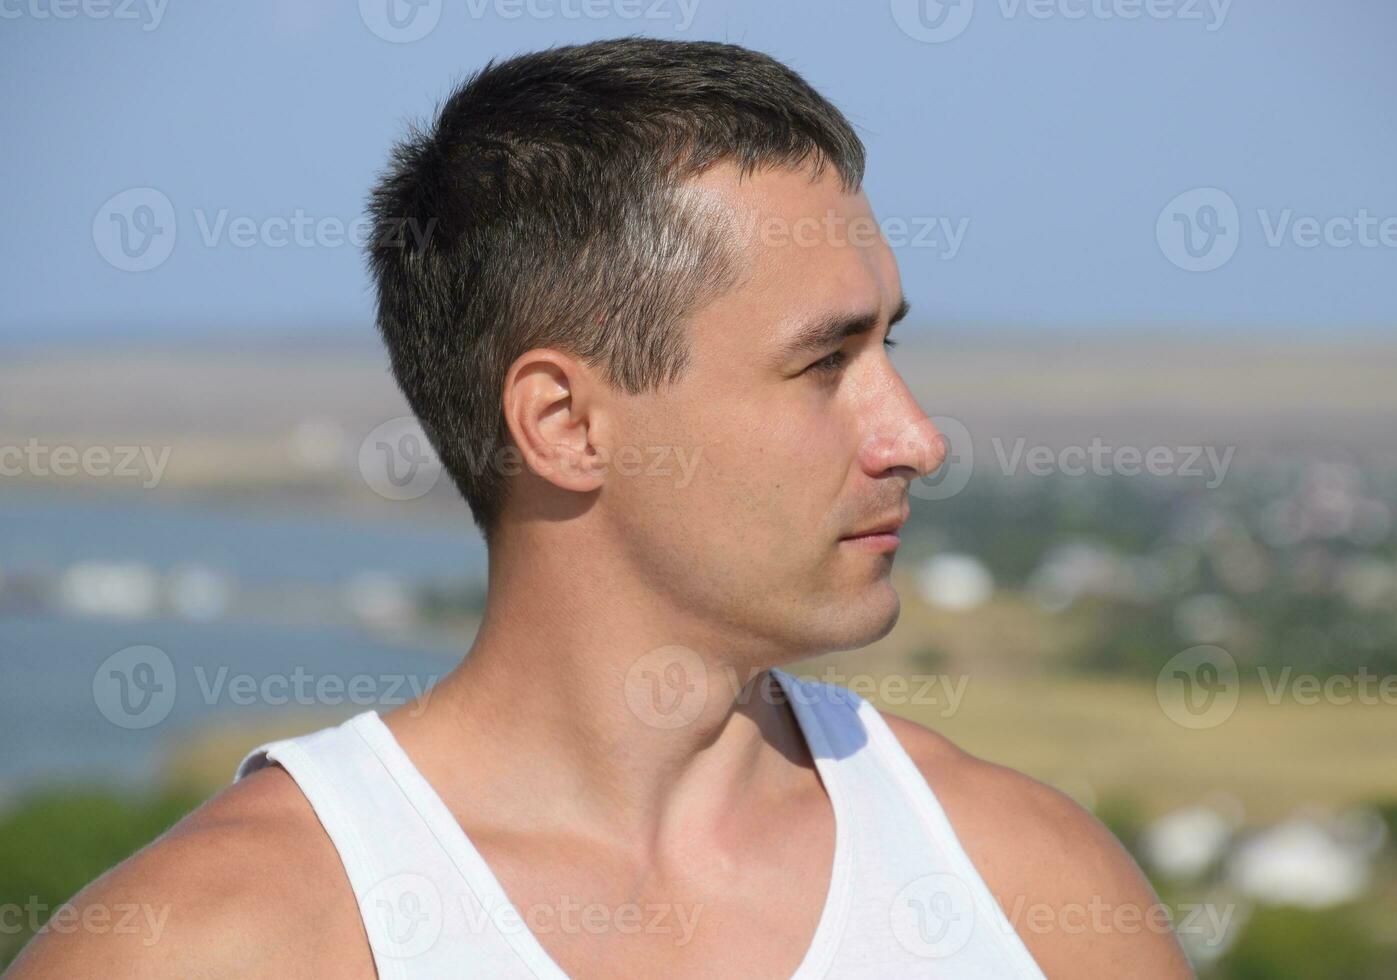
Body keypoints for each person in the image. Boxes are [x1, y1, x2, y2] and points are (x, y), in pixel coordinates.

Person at [9, 37, 1192, 979]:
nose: (916, 437)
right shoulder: (224, 940)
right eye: (824, 362)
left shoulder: (1029, 882)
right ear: (566, 424)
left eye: (888, 345)